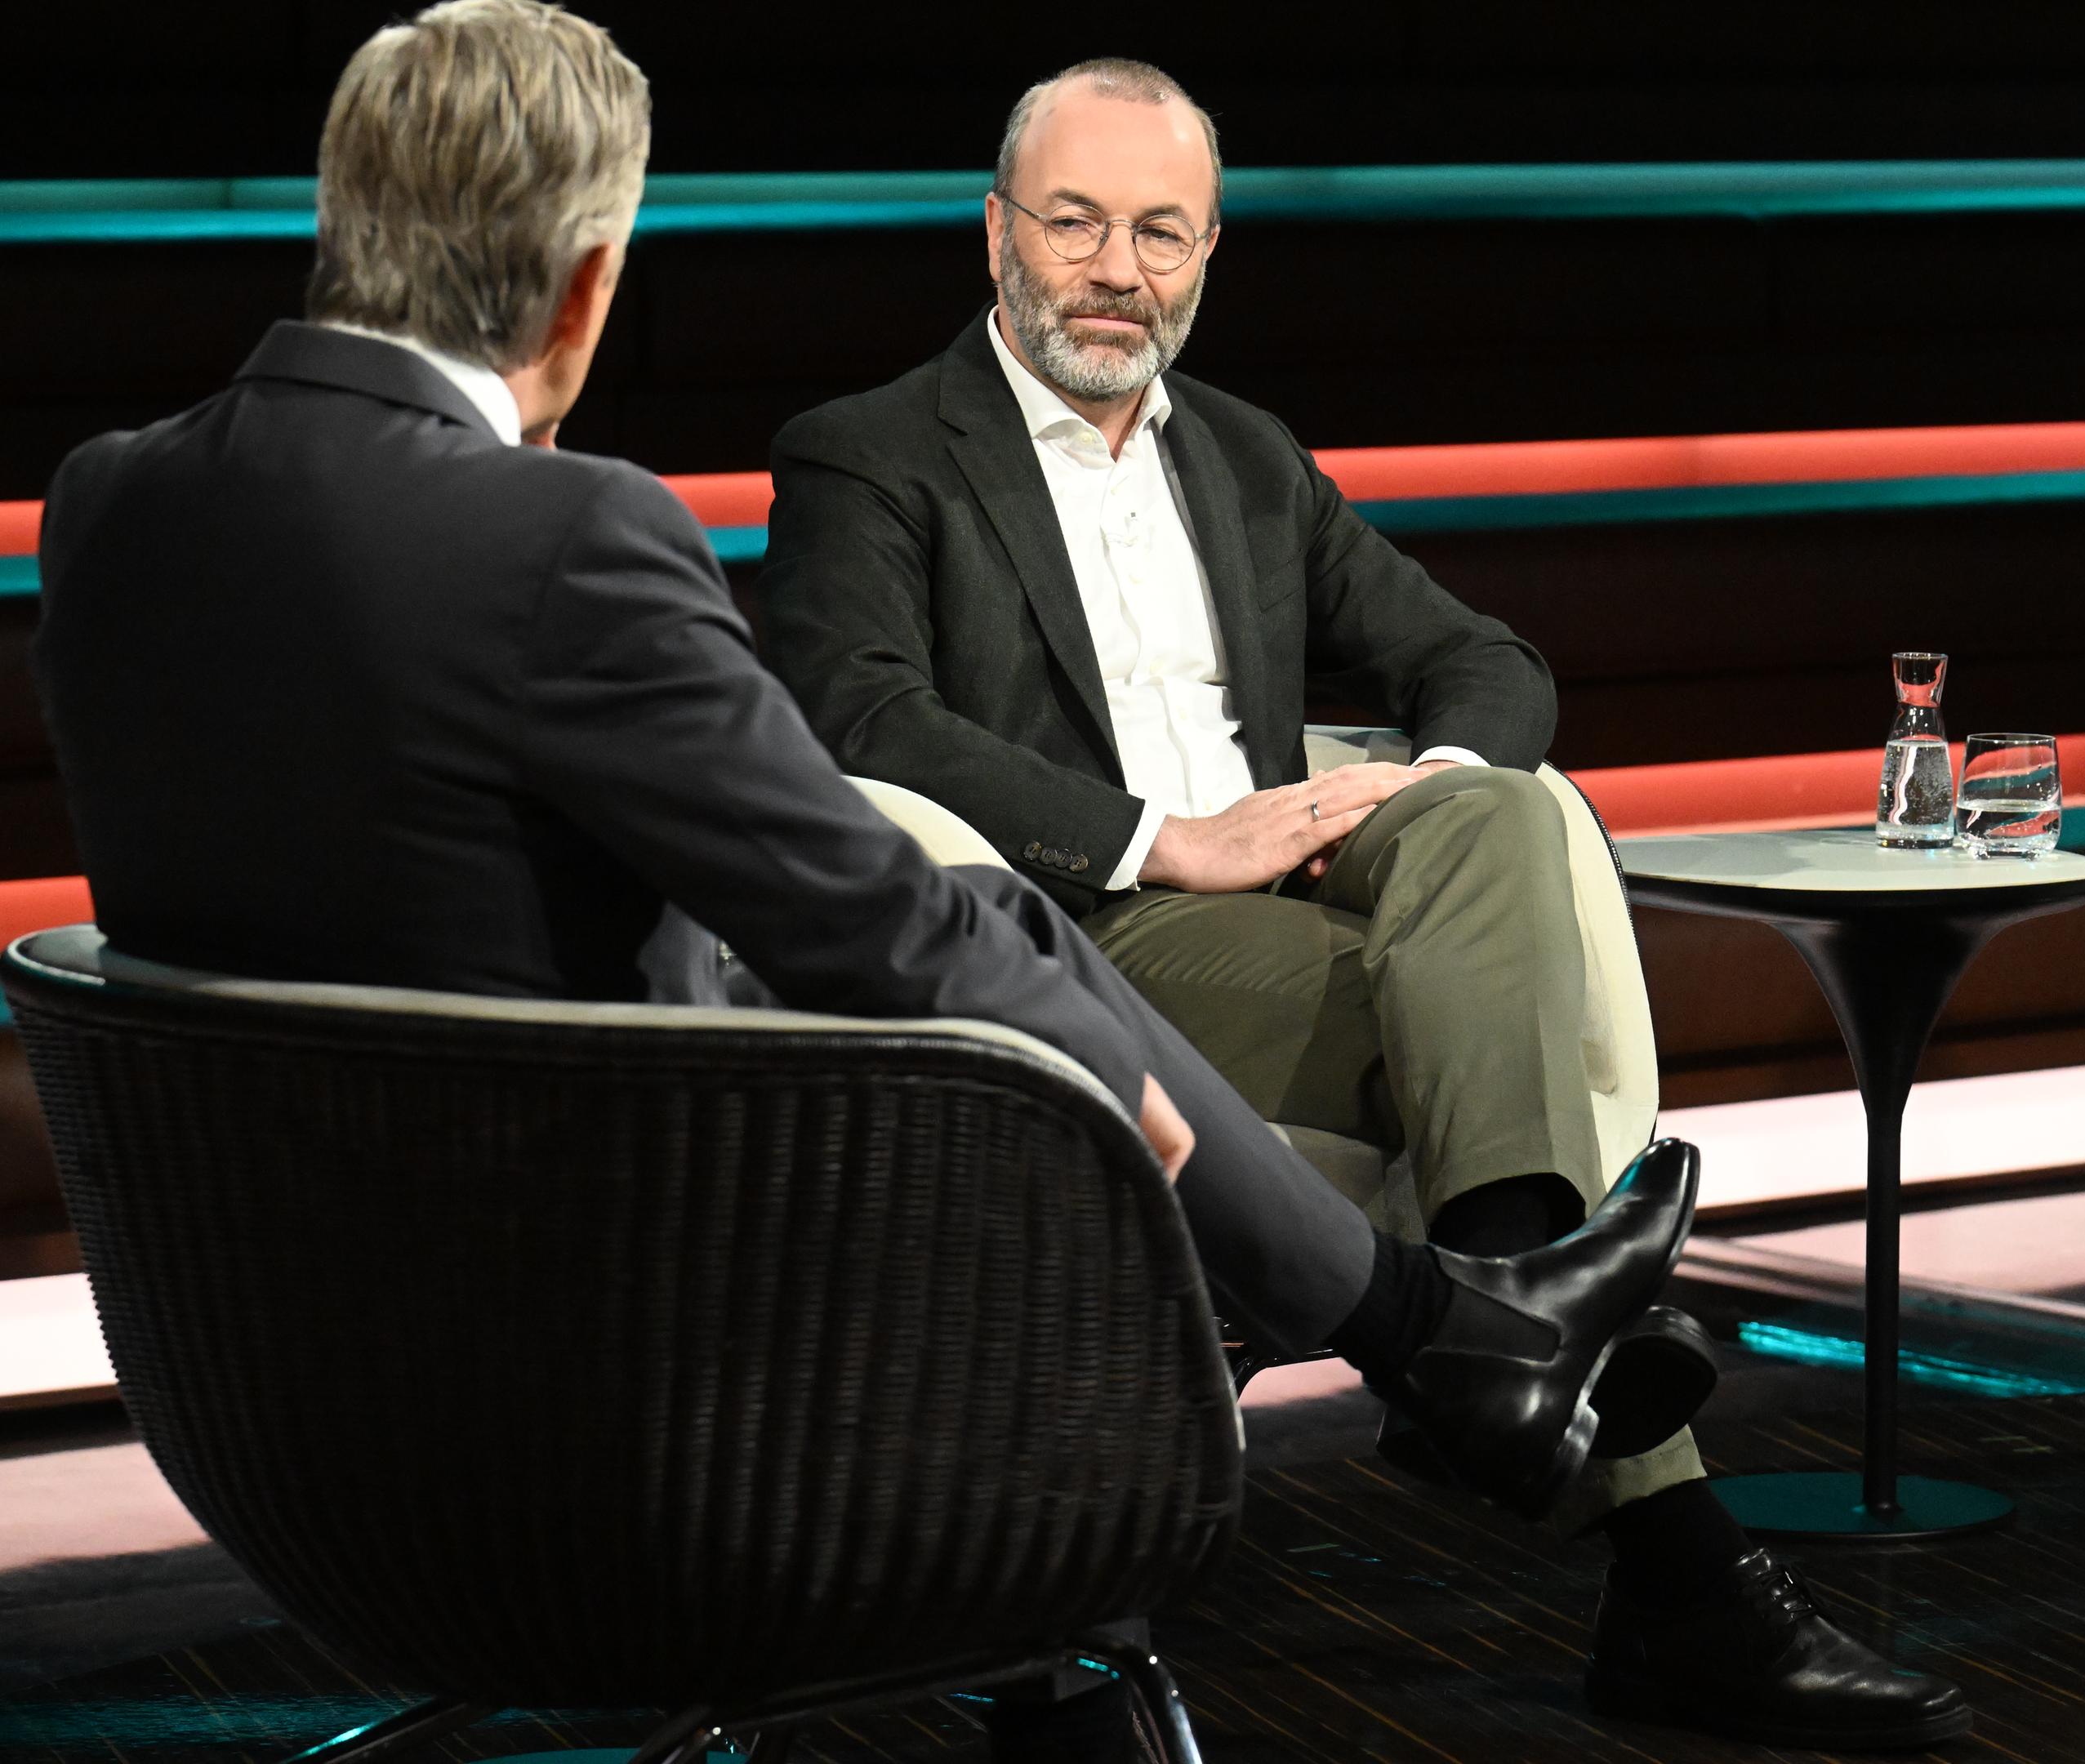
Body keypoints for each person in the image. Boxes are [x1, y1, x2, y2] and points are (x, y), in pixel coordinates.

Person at [29, 8, 1709, 1755]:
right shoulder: (570, 537)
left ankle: (1483, 1352)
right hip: (645, 1393)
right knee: (1013, 1031)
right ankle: (1454, 1353)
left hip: (277, 1392)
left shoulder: (109, 506)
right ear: (590, 284)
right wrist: (1131, 1099)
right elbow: (883, 915)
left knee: (1348, 917)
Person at [754, 58, 1970, 1752]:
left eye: (1161, 233)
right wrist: (1167, 840)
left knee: (1496, 817)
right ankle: (1662, 1549)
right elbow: (861, 721)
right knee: (1491, 1041)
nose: (1116, 270)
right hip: (1068, 945)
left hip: (1291, 919)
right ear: (996, 233)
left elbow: (1485, 660)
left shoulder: (1247, 459)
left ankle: (1500, 1304)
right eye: (1077, 223)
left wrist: (1418, 787)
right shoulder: (873, 453)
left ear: (1209, 253)